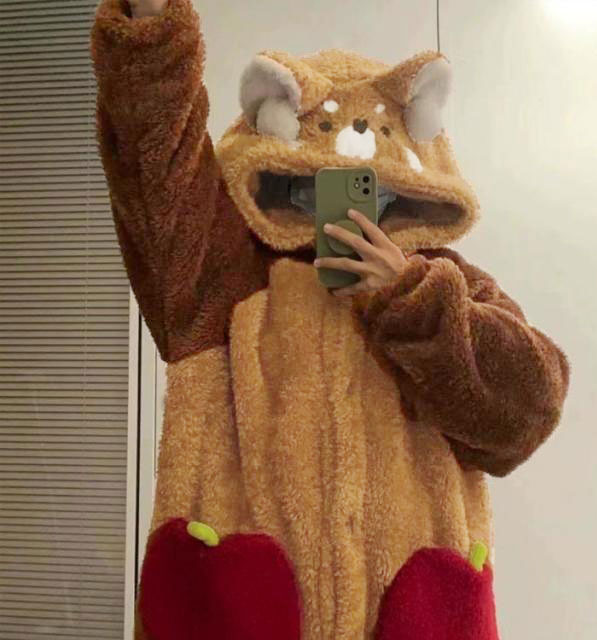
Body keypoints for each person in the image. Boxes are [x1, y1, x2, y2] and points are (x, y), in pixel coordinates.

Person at [91, 1, 570, 638]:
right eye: (307, 187)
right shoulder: (219, 273)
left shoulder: (446, 285)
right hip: (245, 608)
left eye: (373, 190)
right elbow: (157, 164)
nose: (333, 208)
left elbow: (528, 412)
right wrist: (151, 27)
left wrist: (408, 298)